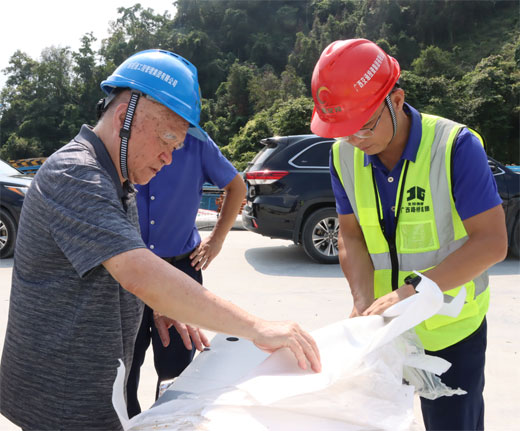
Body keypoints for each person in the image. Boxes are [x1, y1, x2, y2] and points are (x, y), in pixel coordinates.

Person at [0, 49, 320, 431]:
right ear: (124, 118)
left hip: (92, 385)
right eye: (166, 140)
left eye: (177, 147)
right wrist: (259, 328)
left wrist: (157, 304)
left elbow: (117, 265)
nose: (169, 159)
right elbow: (138, 272)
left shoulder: (121, 183)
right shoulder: (75, 175)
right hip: (62, 397)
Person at [310, 39, 507, 431]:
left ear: (396, 100)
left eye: (363, 126)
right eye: (344, 131)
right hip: (384, 329)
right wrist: (362, 300)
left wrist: (414, 291)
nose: (356, 140)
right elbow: (351, 235)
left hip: (451, 330)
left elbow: (492, 242)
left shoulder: (454, 146)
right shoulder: (343, 155)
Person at [126, 130, 246, 417]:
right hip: (128, 271)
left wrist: (217, 239)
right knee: (125, 365)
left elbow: (237, 187)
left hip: (180, 271)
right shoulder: (127, 138)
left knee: (177, 369)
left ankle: (169, 421)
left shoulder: (197, 142)